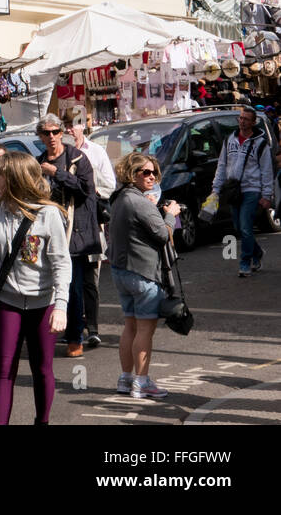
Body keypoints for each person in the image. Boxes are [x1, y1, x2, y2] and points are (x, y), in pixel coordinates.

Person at [0, 152, 71, 425]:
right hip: (8, 302)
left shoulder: (49, 214)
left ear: (15, 178)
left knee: (42, 369)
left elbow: (62, 264)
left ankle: (42, 421)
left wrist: (61, 306)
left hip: (44, 303)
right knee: (3, 370)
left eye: (0, 174)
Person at [109, 151, 180, 399]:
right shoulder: (138, 201)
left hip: (121, 271)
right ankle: (142, 382)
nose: (152, 177)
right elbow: (162, 234)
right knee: (144, 331)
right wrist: (171, 213)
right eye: (145, 172)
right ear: (132, 174)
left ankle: (126, 379)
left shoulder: (119, 197)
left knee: (130, 327)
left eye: (154, 173)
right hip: (142, 273)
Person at [36, 113, 98, 359]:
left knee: (72, 287)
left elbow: (86, 191)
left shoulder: (77, 158)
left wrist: (56, 173)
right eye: (46, 133)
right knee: (46, 285)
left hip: (74, 232)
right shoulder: (38, 161)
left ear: (62, 132)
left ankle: (75, 336)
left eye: (55, 132)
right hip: (46, 232)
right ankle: (51, 331)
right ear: (40, 136)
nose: (51, 137)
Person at [66, 107, 115, 348]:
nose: (69, 129)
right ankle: (72, 326)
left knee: (89, 281)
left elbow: (110, 184)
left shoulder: (96, 152)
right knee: (66, 281)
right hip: (65, 229)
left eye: (73, 124)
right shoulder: (56, 155)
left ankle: (92, 328)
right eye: (66, 125)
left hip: (90, 225)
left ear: (82, 126)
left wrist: (89, 185)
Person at [209, 105, 273, 277]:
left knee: (245, 226)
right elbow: (222, 165)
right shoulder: (229, 140)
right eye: (240, 118)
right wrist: (215, 189)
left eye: (246, 119)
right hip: (233, 190)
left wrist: (267, 195)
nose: (242, 121)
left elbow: (266, 170)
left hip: (252, 189)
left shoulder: (260, 144)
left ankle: (245, 262)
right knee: (239, 227)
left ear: (253, 122)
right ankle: (257, 252)